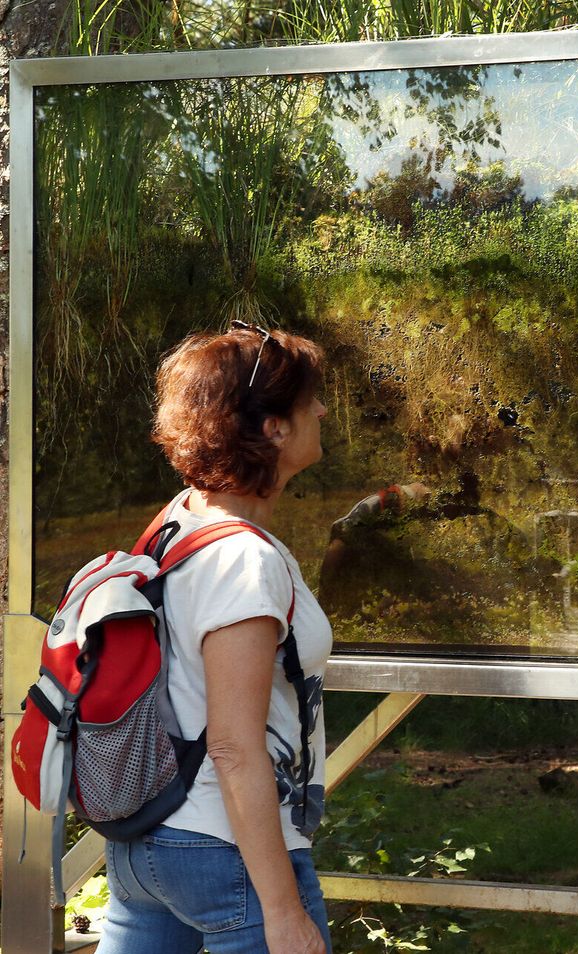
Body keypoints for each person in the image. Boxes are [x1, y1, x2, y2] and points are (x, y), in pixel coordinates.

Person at [96, 323, 332, 954]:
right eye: (311, 400)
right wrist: (283, 914)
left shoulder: (178, 520)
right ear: (275, 427)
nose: (323, 410)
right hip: (225, 851)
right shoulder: (244, 562)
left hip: (144, 844)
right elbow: (233, 746)